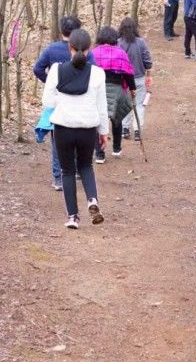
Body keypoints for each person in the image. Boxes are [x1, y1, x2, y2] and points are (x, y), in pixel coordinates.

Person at [42, 28, 109, 229]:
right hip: (87, 128)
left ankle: (73, 217)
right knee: (86, 166)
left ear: (69, 47)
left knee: (67, 170)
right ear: (90, 49)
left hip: (63, 126)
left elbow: (47, 101)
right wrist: (103, 132)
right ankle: (92, 200)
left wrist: (62, 101)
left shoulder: (56, 70)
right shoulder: (97, 74)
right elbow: (102, 107)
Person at [33, 15, 94, 191]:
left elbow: (37, 68)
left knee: (58, 140)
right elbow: (95, 71)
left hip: (58, 99)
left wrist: (50, 83)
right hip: (81, 98)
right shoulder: (85, 52)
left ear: (61, 31)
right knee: (78, 131)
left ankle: (59, 178)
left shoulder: (51, 50)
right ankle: (74, 170)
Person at [92, 26, 137, 158]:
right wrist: (132, 88)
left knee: (99, 121)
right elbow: (128, 73)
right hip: (117, 89)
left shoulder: (94, 53)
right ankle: (116, 149)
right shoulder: (121, 53)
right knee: (117, 119)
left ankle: (100, 154)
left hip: (98, 90)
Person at [117, 17, 152, 141]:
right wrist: (148, 72)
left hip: (123, 80)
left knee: (125, 104)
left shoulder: (118, 43)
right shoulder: (141, 42)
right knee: (139, 105)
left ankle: (125, 129)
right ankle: (137, 131)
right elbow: (147, 59)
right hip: (139, 77)